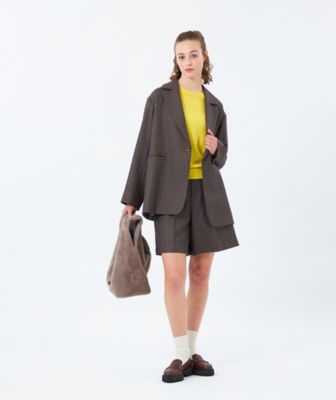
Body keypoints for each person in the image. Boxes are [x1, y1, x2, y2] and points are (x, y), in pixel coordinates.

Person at [120, 30, 239, 383]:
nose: (187, 61)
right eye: (181, 56)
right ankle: (180, 354)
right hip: (168, 194)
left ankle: (192, 349)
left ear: (204, 57)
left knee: (200, 273)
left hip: (207, 195)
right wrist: (131, 197)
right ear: (175, 60)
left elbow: (222, 157)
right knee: (173, 276)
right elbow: (143, 146)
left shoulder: (215, 105)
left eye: (193, 54)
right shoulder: (160, 99)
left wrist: (216, 148)